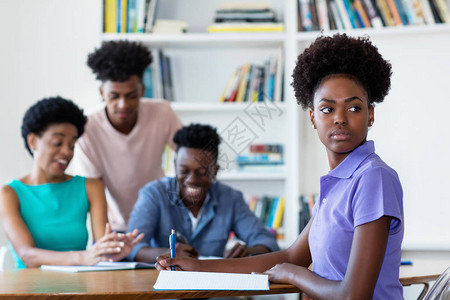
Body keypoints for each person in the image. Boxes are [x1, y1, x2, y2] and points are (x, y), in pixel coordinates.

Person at [156, 34, 404, 300]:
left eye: (354, 108)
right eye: (327, 109)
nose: (340, 119)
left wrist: (292, 274)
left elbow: (352, 295)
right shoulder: (337, 184)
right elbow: (291, 256)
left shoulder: (373, 178)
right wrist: (198, 267)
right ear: (312, 117)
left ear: (371, 115)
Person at [0, 97, 143, 268]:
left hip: (77, 289)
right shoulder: (10, 193)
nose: (67, 152)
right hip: (29, 290)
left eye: (72, 145)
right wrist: (82, 257)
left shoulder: (91, 187)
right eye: (57, 143)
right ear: (32, 141)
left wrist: (113, 250)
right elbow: (27, 255)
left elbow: (101, 250)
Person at [127, 123, 279, 262]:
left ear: (215, 171)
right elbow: (132, 248)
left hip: (212, 289)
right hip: (163, 287)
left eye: (202, 172)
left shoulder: (230, 199)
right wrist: (170, 253)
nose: (192, 180)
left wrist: (249, 251)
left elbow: (268, 242)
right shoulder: (153, 195)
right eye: (184, 171)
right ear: (175, 166)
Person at [72, 40, 182, 232]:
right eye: (114, 96)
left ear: (141, 90)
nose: (123, 105)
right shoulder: (87, 127)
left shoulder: (162, 112)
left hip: (159, 222)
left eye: (131, 95)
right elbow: (93, 190)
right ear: (102, 92)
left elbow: (189, 154)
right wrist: (104, 240)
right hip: (113, 226)